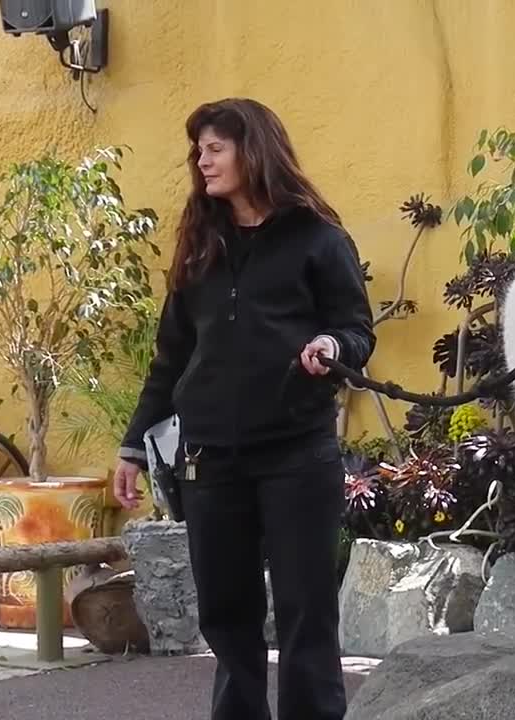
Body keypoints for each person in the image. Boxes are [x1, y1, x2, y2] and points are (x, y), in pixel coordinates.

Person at [112, 97, 375, 720]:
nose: (201, 161)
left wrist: (331, 344)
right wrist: (132, 445)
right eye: (198, 150)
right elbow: (170, 357)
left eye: (214, 148)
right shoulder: (200, 245)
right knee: (226, 617)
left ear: (252, 150)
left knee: (307, 611)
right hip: (210, 458)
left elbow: (356, 328)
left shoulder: (318, 238)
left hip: (296, 453)